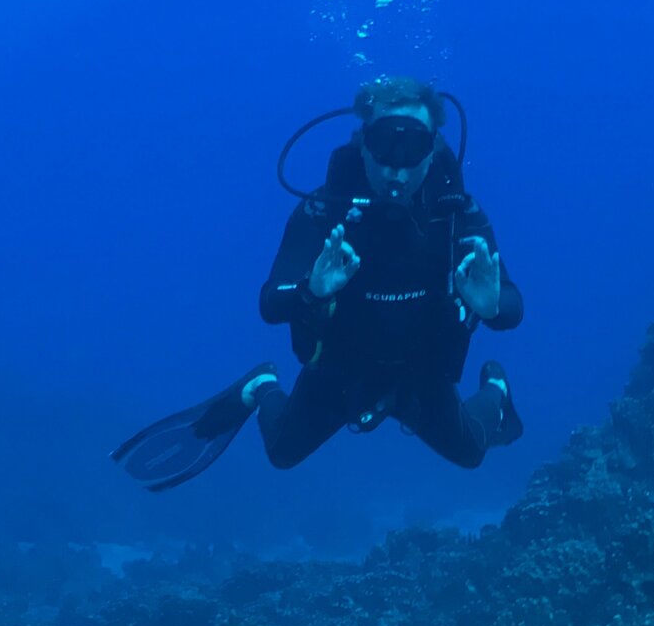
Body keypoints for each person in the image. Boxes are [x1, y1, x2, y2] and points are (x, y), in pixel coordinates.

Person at [113, 77, 524, 492]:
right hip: (342, 366)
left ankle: (497, 388)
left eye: (413, 148)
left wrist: (489, 306)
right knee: (282, 454)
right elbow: (271, 303)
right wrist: (311, 289)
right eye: (382, 145)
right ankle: (261, 386)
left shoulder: (456, 215)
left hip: (423, 369)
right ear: (362, 143)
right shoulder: (323, 211)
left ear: (433, 150)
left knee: (471, 453)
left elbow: (512, 305)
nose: (394, 168)